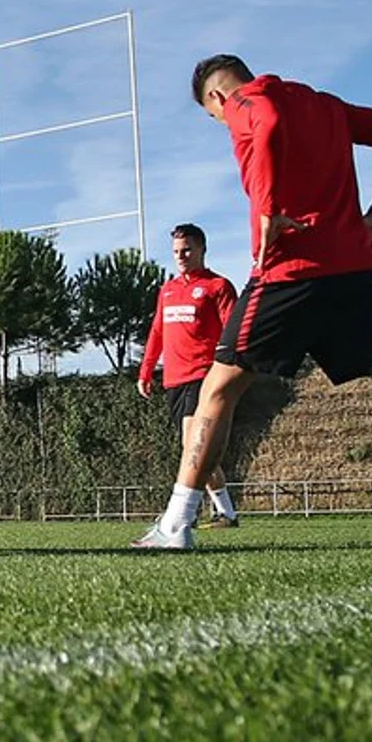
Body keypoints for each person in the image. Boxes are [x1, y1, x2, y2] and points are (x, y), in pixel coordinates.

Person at [135, 55, 372, 549]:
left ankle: (176, 526)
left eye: (214, 117)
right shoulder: (323, 104)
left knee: (216, 393)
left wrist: (266, 208)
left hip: (290, 273)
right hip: (355, 270)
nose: (224, 124)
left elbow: (263, 121)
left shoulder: (246, 101)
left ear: (217, 99)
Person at [137, 223, 241, 527]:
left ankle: (187, 512)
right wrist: (146, 370)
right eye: (176, 252)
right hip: (174, 380)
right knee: (196, 447)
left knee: (192, 442)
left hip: (203, 375)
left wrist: (227, 370)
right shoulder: (168, 290)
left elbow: (233, 331)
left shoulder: (217, 287)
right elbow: (158, 331)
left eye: (187, 250)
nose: (181, 256)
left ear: (201, 250)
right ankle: (226, 512)